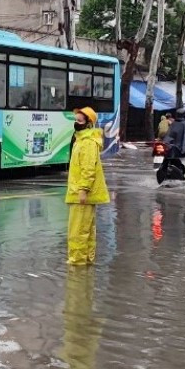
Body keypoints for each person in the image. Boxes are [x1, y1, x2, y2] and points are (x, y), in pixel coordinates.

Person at [67, 107, 110, 266]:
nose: (76, 123)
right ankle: (86, 261)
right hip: (79, 193)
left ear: (88, 124)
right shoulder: (81, 140)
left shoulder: (87, 143)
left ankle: (77, 264)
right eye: (75, 120)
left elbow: (88, 169)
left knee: (78, 231)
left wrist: (83, 190)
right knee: (86, 230)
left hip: (80, 194)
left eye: (79, 121)